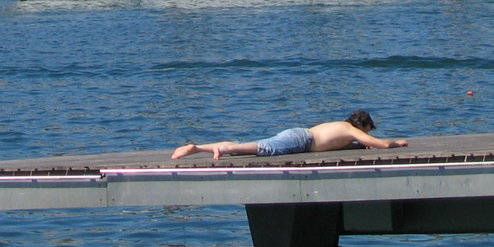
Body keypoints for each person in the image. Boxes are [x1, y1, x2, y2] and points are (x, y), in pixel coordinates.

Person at [171, 110, 406, 160]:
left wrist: (359, 146)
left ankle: (200, 147)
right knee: (255, 148)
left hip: (299, 136)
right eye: (368, 130)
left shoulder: (341, 127)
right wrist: (395, 143)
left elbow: (340, 145)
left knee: (254, 145)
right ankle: (215, 148)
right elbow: (380, 145)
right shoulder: (351, 130)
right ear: (363, 126)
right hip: (300, 141)